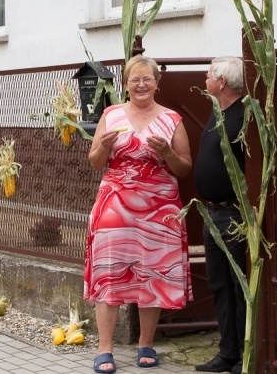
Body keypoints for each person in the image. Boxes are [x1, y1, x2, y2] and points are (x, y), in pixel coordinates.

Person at [84, 54, 193, 374]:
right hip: (115, 208)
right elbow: (95, 162)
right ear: (126, 84)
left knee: (153, 274)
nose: (142, 84)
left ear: (157, 84)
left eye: (148, 79)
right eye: (135, 79)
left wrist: (166, 152)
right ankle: (105, 349)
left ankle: (146, 344)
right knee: (109, 273)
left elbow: (184, 168)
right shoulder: (111, 114)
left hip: (159, 212)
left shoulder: (171, 119)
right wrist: (103, 146)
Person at [194, 57, 247, 374]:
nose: (204, 78)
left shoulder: (243, 116)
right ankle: (227, 352)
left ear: (222, 81)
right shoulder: (219, 113)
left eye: (208, 74)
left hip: (234, 214)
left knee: (239, 286)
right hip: (212, 215)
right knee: (219, 285)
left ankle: (244, 355)